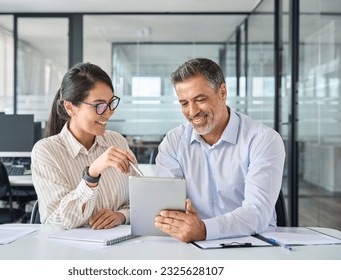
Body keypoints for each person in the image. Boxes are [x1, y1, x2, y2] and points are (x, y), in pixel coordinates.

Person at [154, 58, 286, 242]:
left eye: (200, 99)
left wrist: (204, 229)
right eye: (184, 103)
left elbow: (257, 212)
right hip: (191, 244)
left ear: (222, 92)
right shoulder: (174, 141)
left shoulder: (263, 140)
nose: (192, 112)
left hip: (253, 241)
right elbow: (164, 205)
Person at [31, 62, 137, 230]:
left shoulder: (117, 141)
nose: (109, 112)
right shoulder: (46, 151)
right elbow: (56, 221)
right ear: (70, 107)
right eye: (99, 105)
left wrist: (121, 216)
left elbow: (140, 200)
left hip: (117, 245)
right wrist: (91, 175)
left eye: (111, 103)